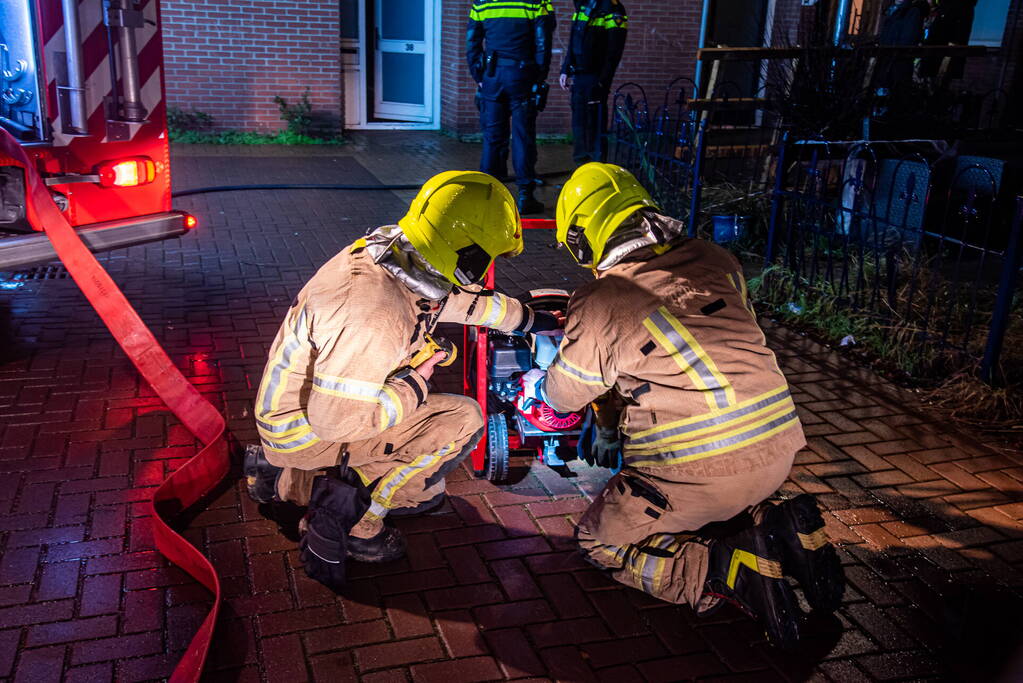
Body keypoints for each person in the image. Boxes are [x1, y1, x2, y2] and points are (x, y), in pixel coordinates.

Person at [523, 163, 845, 646]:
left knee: (599, 542)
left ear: (583, 238)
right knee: (730, 503)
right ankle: (780, 524)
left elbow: (564, 397)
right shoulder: (717, 259)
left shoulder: (603, 296)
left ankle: (717, 572)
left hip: (694, 474)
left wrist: (534, 384)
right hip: (779, 452)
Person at [244, 171, 561, 563]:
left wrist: (531, 320)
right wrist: (414, 382)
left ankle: (289, 483)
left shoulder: (399, 257)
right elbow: (336, 424)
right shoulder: (374, 315)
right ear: (468, 253)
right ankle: (360, 523)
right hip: (310, 430)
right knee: (462, 418)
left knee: (424, 481)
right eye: (487, 258)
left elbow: (463, 302)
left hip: (294, 414)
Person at [466, 0, 555, 215]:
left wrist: (479, 76)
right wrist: (538, 78)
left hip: (493, 76)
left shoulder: (482, 4)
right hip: (522, 76)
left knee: (493, 138)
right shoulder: (536, 3)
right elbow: (544, 43)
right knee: (523, 136)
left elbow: (472, 43)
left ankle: (489, 195)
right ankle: (525, 196)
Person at [559, 0, 628, 164]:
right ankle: (581, 170)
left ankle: (597, 170)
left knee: (594, 127)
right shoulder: (583, 6)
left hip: (596, 77)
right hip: (579, 77)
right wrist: (565, 69)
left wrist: (603, 81)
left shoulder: (612, 8)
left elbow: (614, 51)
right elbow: (574, 40)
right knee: (579, 126)